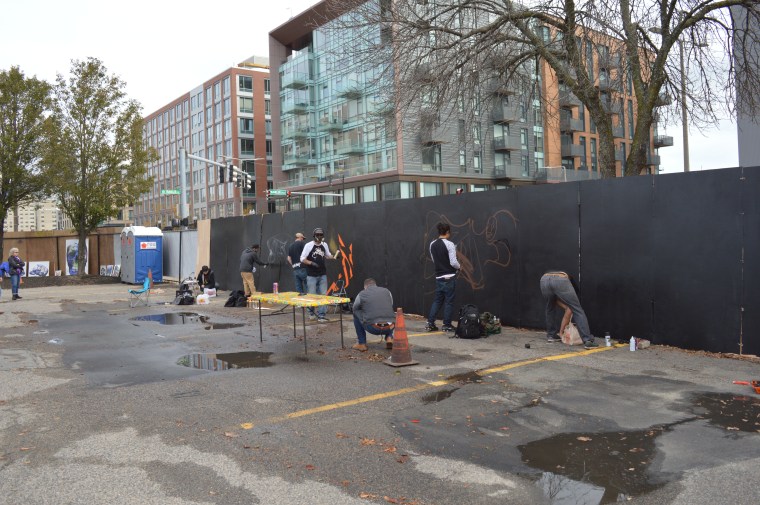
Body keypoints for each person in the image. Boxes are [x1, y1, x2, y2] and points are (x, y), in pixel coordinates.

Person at [540, 271, 598, 349]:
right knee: (577, 309)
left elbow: (554, 300)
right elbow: (572, 307)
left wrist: (565, 307)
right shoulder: (570, 284)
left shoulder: (560, 283)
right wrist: (568, 306)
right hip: (560, 279)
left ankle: (551, 335)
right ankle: (587, 340)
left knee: (550, 308)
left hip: (544, 279)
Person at [425, 222, 460, 332]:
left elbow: (434, 259)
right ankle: (447, 325)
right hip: (449, 276)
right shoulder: (450, 244)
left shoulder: (432, 244)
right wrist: (459, 267)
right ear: (448, 232)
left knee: (437, 301)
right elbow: (453, 262)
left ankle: (430, 323)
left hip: (439, 277)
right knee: (449, 302)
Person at [299, 227, 337, 323]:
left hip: (322, 273)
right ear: (314, 235)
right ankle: (311, 313)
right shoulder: (309, 245)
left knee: (323, 295)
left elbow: (327, 255)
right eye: (318, 235)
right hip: (311, 274)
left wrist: (334, 256)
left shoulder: (324, 244)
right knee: (312, 295)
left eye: (321, 235)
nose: (319, 236)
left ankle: (321, 315)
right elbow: (302, 258)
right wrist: (311, 263)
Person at [351, 278, 396, 352]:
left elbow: (354, 308)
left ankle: (361, 343)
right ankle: (389, 337)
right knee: (388, 313)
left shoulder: (361, 293)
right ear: (375, 284)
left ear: (365, 287)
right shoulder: (387, 291)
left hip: (374, 328)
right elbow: (391, 305)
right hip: (390, 327)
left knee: (355, 313)